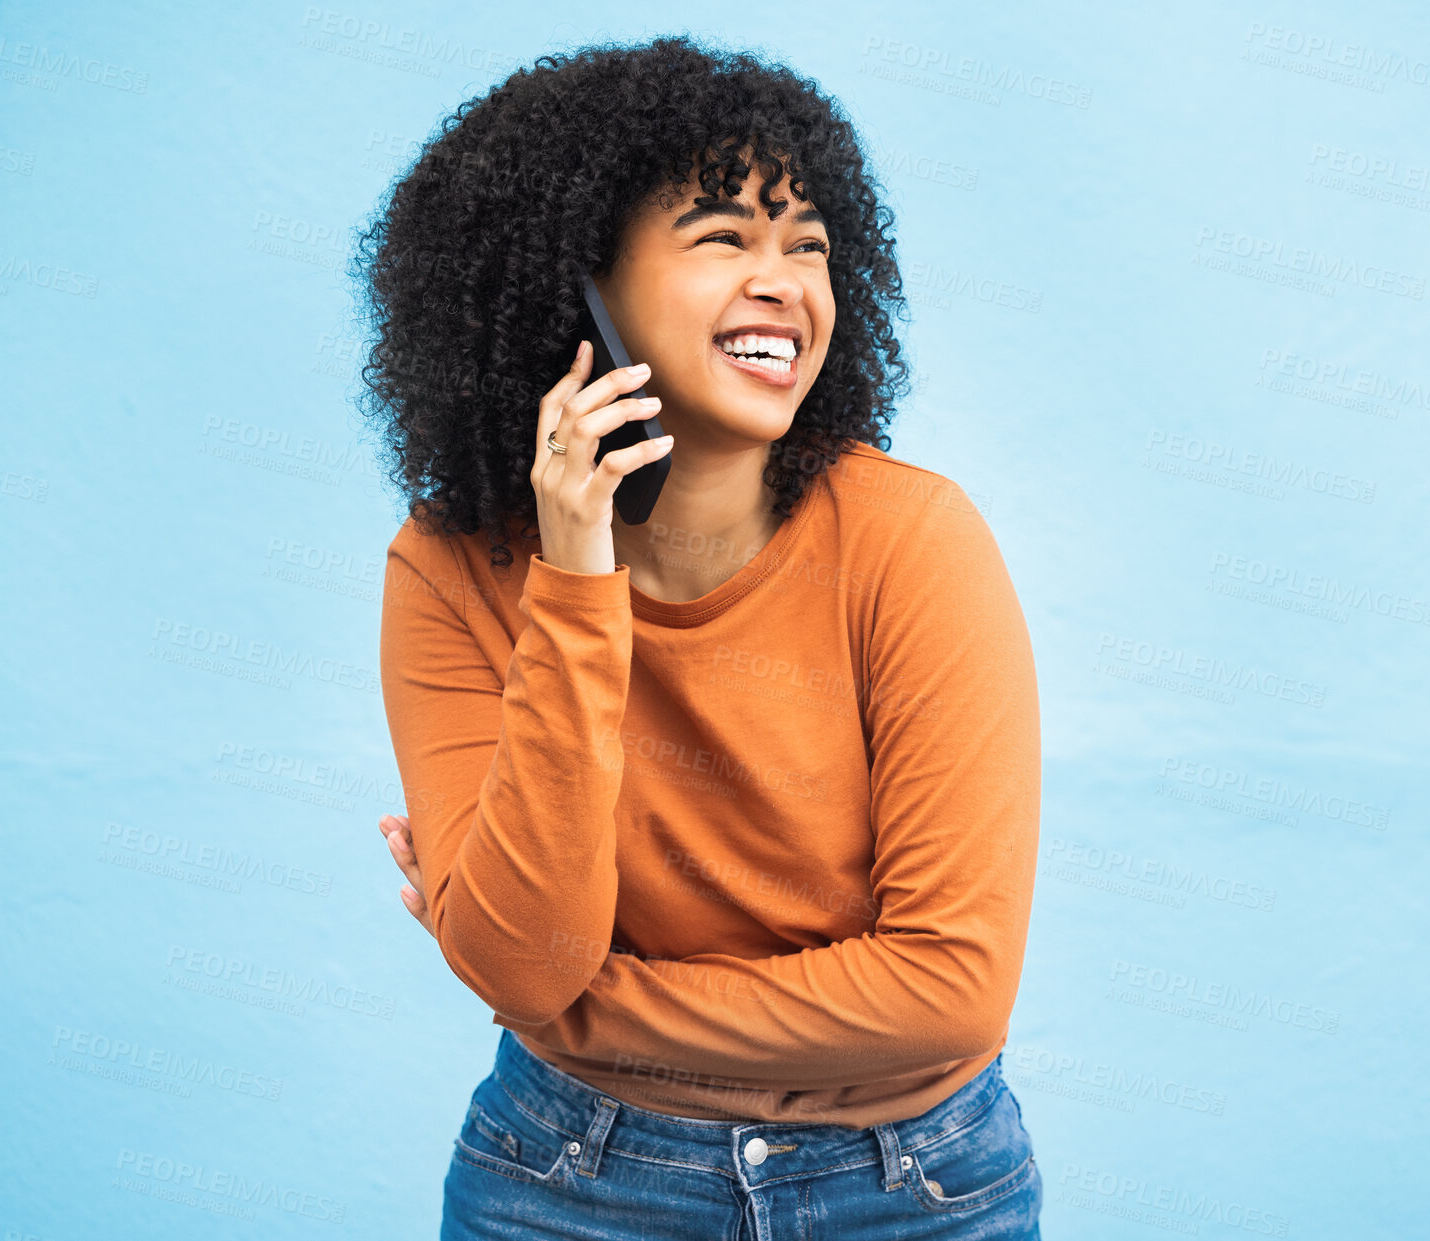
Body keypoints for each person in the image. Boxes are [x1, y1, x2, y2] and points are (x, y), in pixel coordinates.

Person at [356, 33, 1044, 1240]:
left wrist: (583, 1011)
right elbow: (531, 960)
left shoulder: (911, 542)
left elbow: (947, 990)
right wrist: (577, 576)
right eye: (724, 237)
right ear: (577, 289)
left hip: (911, 1183)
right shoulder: (451, 565)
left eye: (810, 248)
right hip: (569, 1177)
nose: (785, 281)